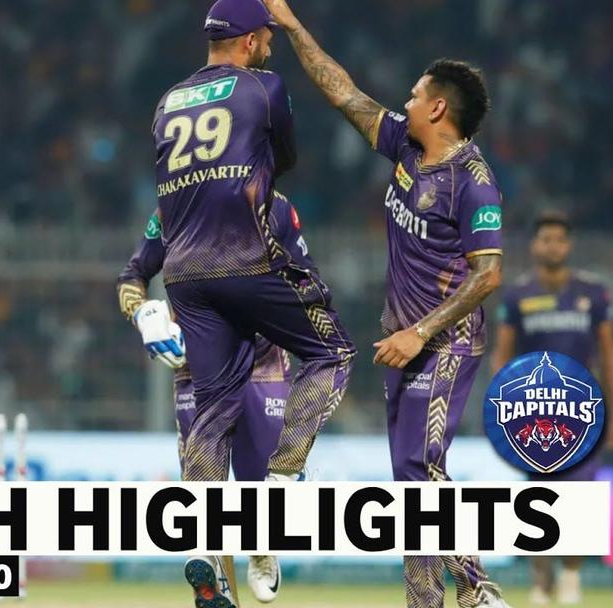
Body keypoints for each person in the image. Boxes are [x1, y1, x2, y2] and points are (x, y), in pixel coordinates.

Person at [261, 2, 510, 606]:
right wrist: (292, 27)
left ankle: (477, 590)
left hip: (443, 344)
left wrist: (419, 333)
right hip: (403, 342)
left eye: (416, 94)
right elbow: (344, 94)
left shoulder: (473, 183)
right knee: (410, 482)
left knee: (422, 468)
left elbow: (489, 275)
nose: (406, 100)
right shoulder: (405, 146)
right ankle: (427, 601)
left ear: (439, 108)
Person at [148, 1, 356, 604]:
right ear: (247, 40)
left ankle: (200, 541)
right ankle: (282, 478)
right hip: (246, 258)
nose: (268, 47)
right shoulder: (265, 87)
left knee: (211, 408)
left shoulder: (167, 101)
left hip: (184, 274)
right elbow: (282, 160)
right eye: (265, 38)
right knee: (334, 353)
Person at [119, 191, 317, 604]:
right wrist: (144, 316)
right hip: (197, 365)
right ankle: (217, 586)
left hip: (262, 360)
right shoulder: (171, 208)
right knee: (205, 495)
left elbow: (305, 280)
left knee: (259, 485)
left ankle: (262, 547)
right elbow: (132, 276)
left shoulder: (273, 205)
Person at [491, 212, 613, 606]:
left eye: (560, 240)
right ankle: (540, 582)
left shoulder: (593, 292)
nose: (553, 246)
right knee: (538, 498)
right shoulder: (518, 295)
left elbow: (610, 354)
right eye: (546, 239)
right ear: (534, 245)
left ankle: (570, 576)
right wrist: (501, 412)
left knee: (579, 496)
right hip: (532, 413)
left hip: (584, 411)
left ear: (569, 245)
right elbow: (501, 357)